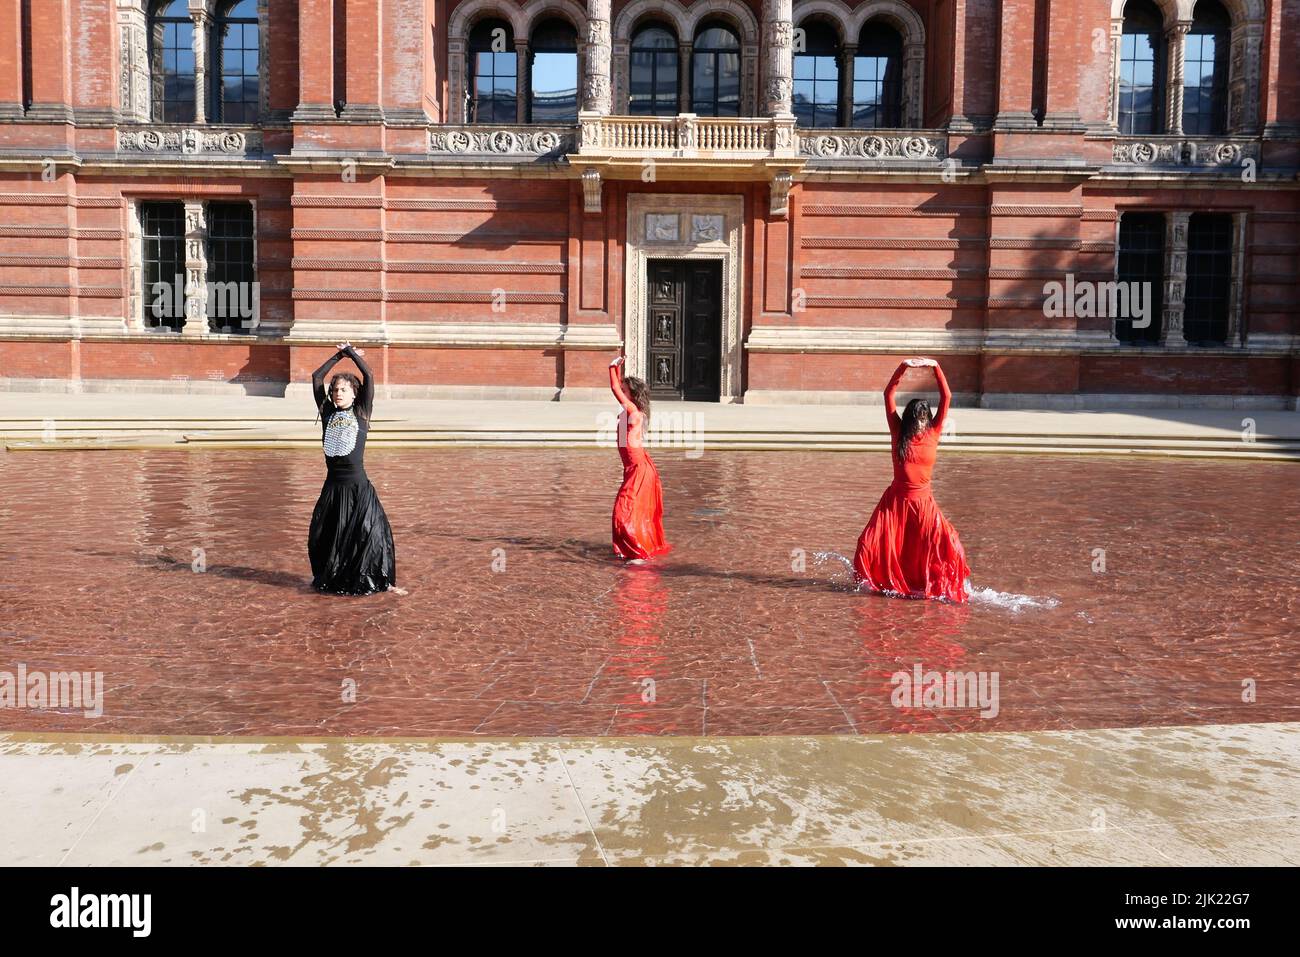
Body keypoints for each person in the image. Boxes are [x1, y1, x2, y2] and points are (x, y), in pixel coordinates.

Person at [853, 357, 970, 602]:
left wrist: (936, 367)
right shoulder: (898, 431)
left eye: (924, 416)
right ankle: (874, 583)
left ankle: (935, 585)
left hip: (923, 502)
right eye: (918, 417)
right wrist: (904, 367)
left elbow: (946, 396)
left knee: (950, 545)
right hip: (895, 502)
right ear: (910, 418)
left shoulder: (934, 432)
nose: (921, 421)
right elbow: (888, 394)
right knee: (867, 543)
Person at [308, 342, 403, 595]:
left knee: (370, 535)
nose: (338, 393)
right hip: (333, 488)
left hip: (358, 487)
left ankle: (385, 583)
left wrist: (350, 352)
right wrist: (338, 355)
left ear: (354, 394)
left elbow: (369, 375)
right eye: (336, 390)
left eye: (344, 389)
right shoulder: (327, 412)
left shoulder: (362, 412)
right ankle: (333, 578)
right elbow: (317, 377)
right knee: (325, 535)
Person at [608, 356, 670, 563]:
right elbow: (619, 388)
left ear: (632, 395)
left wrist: (612, 367)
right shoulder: (633, 409)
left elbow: (615, 389)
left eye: (626, 392)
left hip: (638, 467)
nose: (622, 394)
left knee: (623, 509)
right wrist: (618, 369)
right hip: (634, 466)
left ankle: (636, 552)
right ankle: (629, 548)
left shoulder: (633, 410)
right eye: (623, 391)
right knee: (629, 509)